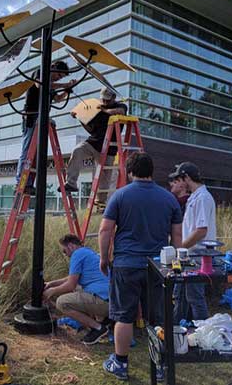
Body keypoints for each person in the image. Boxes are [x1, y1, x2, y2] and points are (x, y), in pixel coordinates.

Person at [99, 152, 182, 381]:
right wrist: (175, 265)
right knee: (156, 319)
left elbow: (106, 229)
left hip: (126, 264)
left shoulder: (120, 196)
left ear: (130, 172)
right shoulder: (169, 199)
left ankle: (120, 364)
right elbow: (176, 235)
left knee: (124, 317)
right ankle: (159, 367)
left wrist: (104, 258)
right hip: (157, 267)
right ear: (152, 171)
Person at [15, 61, 74, 195]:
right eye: (58, 75)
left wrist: (66, 90)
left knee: (35, 154)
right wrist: (64, 85)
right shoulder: (40, 72)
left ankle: (28, 183)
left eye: (61, 78)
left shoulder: (51, 85)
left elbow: (58, 99)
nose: (58, 79)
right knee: (27, 151)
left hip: (42, 120)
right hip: (31, 117)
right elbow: (39, 85)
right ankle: (20, 182)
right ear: (52, 67)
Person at [168, 162, 217, 323]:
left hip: (198, 255)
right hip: (190, 255)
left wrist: (181, 248)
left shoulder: (202, 198)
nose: (178, 183)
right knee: (180, 295)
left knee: (195, 297)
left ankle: (203, 333)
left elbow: (201, 230)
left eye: (180, 179)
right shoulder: (195, 197)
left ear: (187, 177)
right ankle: (177, 329)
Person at [64, 87, 127, 209]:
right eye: (103, 100)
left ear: (114, 98)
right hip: (93, 143)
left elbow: (120, 112)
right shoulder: (97, 111)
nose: (104, 102)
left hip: (109, 148)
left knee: (105, 175)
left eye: (107, 101)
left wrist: (104, 110)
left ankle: (101, 202)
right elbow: (91, 129)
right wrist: (80, 118)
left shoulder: (121, 106)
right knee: (77, 151)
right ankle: (71, 183)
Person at [43, 234, 110, 345]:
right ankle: (103, 320)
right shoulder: (87, 252)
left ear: (71, 246)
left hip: (104, 302)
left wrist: (51, 292)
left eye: (64, 251)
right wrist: (51, 284)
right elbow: (71, 279)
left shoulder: (77, 254)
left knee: (62, 302)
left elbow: (70, 285)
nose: (66, 255)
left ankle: (98, 328)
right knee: (78, 289)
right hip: (112, 300)